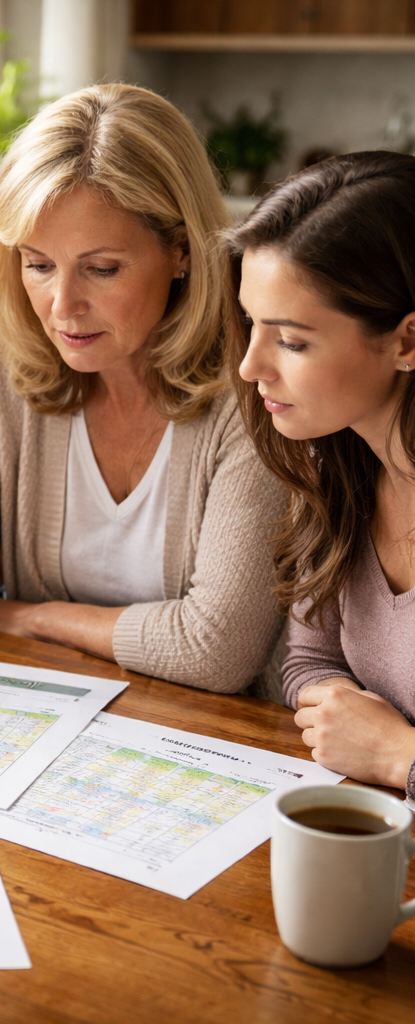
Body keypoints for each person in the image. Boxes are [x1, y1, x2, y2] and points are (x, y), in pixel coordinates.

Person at [0, 83, 286, 694]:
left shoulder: (256, 379)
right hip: (60, 722)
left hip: (223, 738)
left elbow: (217, 647)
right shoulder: (7, 359)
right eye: (39, 264)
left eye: (102, 268)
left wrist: (35, 618)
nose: (63, 307)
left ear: (181, 251)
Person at [233, 151, 415, 797]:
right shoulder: (333, 463)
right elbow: (313, 660)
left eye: (292, 340)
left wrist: (402, 757)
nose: (252, 366)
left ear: (407, 341)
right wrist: (336, 705)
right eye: (252, 324)